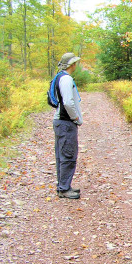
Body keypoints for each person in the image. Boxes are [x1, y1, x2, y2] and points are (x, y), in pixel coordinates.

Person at [53, 52, 83, 199]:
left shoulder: (60, 77)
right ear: (72, 64)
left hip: (61, 121)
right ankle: (64, 188)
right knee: (68, 154)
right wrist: (76, 117)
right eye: (75, 63)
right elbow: (68, 102)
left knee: (62, 154)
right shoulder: (66, 79)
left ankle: (63, 186)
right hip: (66, 122)